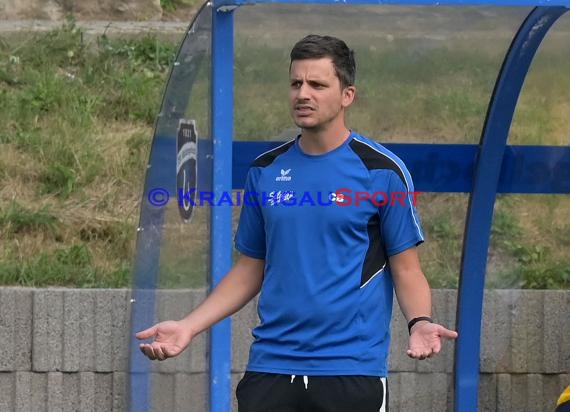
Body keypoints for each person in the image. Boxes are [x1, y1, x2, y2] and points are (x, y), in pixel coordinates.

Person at [137, 34, 458, 411]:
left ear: (346, 95)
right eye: (296, 83)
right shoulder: (266, 171)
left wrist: (419, 321)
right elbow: (250, 268)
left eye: (317, 85)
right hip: (270, 370)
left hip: (350, 372)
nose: (303, 93)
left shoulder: (382, 172)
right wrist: (189, 327)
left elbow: (406, 269)